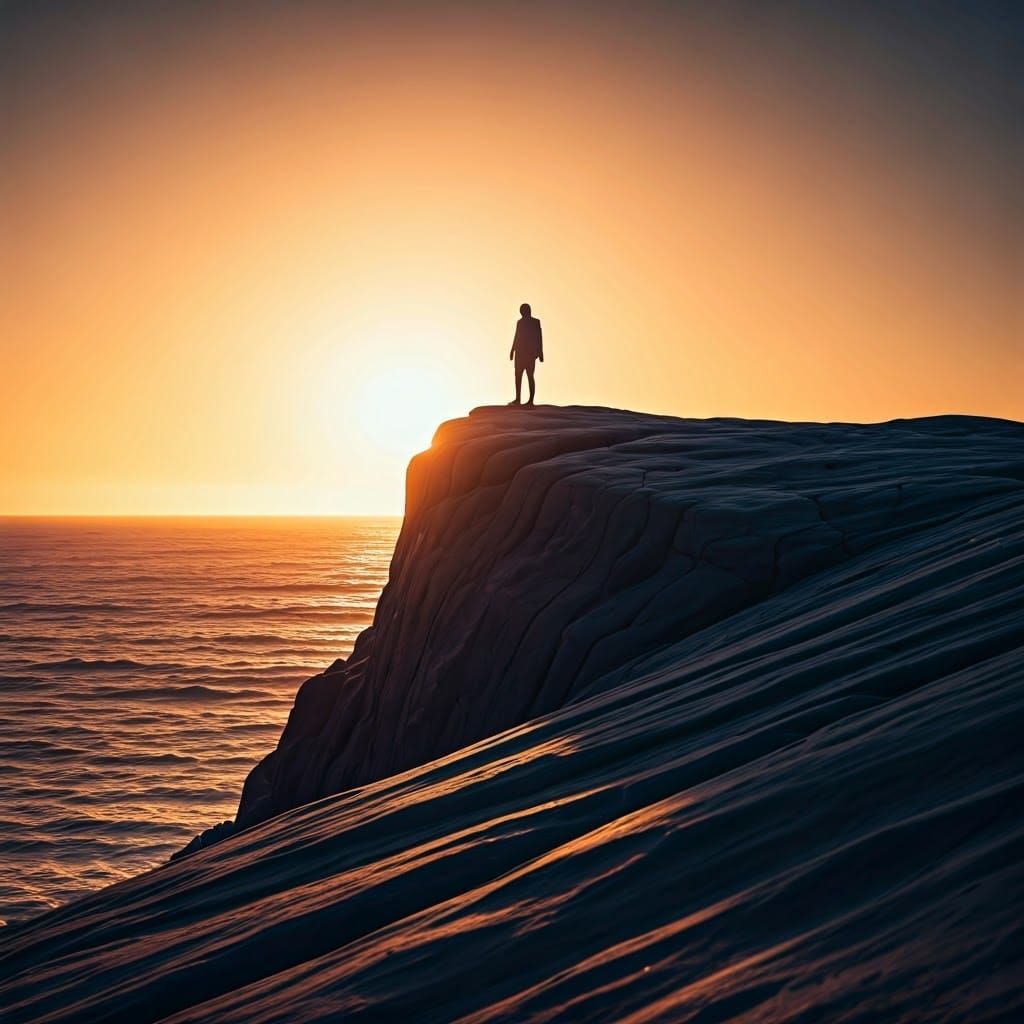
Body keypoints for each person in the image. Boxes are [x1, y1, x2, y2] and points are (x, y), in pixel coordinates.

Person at [509, 303, 543, 406]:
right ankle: (518, 399)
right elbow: (516, 336)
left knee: (530, 376)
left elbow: (539, 337)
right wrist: (512, 350)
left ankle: (530, 400)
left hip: (529, 354)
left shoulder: (535, 322)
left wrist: (540, 352)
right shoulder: (520, 322)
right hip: (520, 353)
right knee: (518, 376)